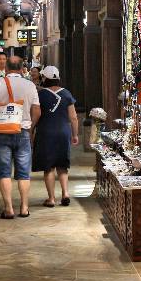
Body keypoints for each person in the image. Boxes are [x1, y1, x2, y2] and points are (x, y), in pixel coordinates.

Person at [0, 56, 41, 219]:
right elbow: (37, 111)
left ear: (6, 68)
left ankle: (8, 209)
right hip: (23, 132)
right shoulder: (30, 85)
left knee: (4, 172)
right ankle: (24, 207)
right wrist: (30, 128)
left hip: (2, 132)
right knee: (24, 173)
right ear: (23, 68)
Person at [32, 66, 79, 207]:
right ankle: (65, 194)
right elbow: (74, 117)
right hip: (63, 132)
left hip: (45, 132)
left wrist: (31, 130)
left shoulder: (40, 95)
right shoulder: (66, 94)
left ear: (44, 78)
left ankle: (51, 199)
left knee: (49, 167)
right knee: (62, 165)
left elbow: (36, 114)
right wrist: (75, 134)